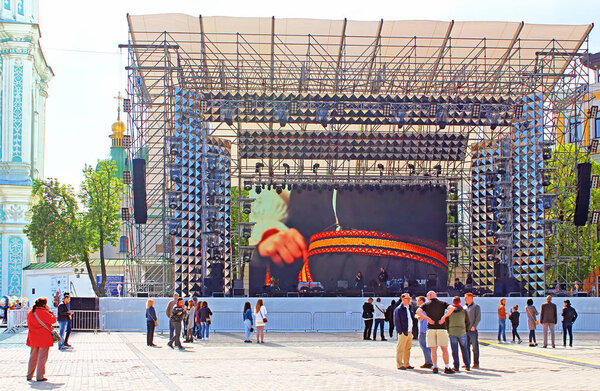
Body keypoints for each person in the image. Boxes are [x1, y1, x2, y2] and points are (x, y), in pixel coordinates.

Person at [416, 290, 456, 374]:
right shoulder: (442, 303)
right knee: (444, 349)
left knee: (433, 349)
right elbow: (452, 308)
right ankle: (447, 367)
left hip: (431, 328)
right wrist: (444, 317)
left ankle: (435, 366)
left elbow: (418, 311)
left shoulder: (426, 304)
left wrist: (428, 319)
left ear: (429, 296)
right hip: (441, 328)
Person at [26, 297, 56, 382]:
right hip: (44, 337)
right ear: (44, 305)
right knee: (42, 357)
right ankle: (39, 376)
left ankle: (29, 375)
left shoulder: (30, 313)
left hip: (33, 337)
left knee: (33, 357)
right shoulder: (45, 313)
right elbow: (53, 320)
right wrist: (50, 312)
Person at [447, 296, 470, 372]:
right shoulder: (464, 311)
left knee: (454, 350)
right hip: (462, 332)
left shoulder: (449, 311)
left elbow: (446, 321)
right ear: (460, 302)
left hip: (452, 331)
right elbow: (467, 322)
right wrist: (466, 330)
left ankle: (456, 366)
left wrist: (448, 330)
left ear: (453, 302)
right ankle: (467, 365)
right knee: (464, 349)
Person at [394, 293, 415, 370]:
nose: (409, 300)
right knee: (400, 349)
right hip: (403, 331)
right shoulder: (399, 309)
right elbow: (397, 321)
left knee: (407, 348)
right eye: (407, 298)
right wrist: (400, 331)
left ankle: (406, 363)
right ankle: (399, 364)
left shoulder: (409, 308)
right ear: (403, 299)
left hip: (409, 331)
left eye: (409, 298)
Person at [464, 293, 480, 368]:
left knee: (475, 347)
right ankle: (467, 363)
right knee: (466, 347)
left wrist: (474, 326)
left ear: (471, 298)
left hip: (472, 330)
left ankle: (476, 363)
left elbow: (478, 317)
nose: (465, 299)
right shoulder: (464, 307)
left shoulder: (476, 307)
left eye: (466, 298)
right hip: (465, 330)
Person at [415, 296, 432, 368]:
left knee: (424, 346)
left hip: (423, 330)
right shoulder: (428, 308)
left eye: (418, 300)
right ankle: (430, 360)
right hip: (427, 330)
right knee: (428, 347)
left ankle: (428, 362)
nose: (417, 302)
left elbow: (421, 318)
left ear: (421, 301)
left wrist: (416, 316)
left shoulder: (422, 310)